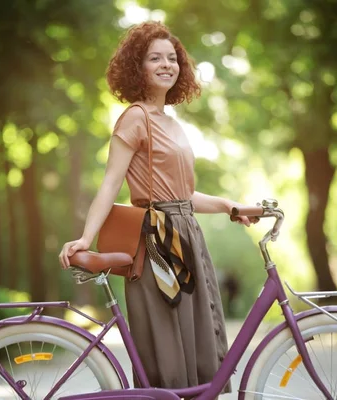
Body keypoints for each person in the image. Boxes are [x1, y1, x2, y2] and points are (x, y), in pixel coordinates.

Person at [59, 21, 256, 394]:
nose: (166, 64)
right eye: (155, 58)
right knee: (167, 348)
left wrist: (230, 205)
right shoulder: (135, 118)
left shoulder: (172, 123)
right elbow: (110, 183)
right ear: (139, 67)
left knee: (193, 345)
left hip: (187, 236)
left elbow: (185, 197)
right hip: (158, 244)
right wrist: (87, 237)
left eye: (172, 58)